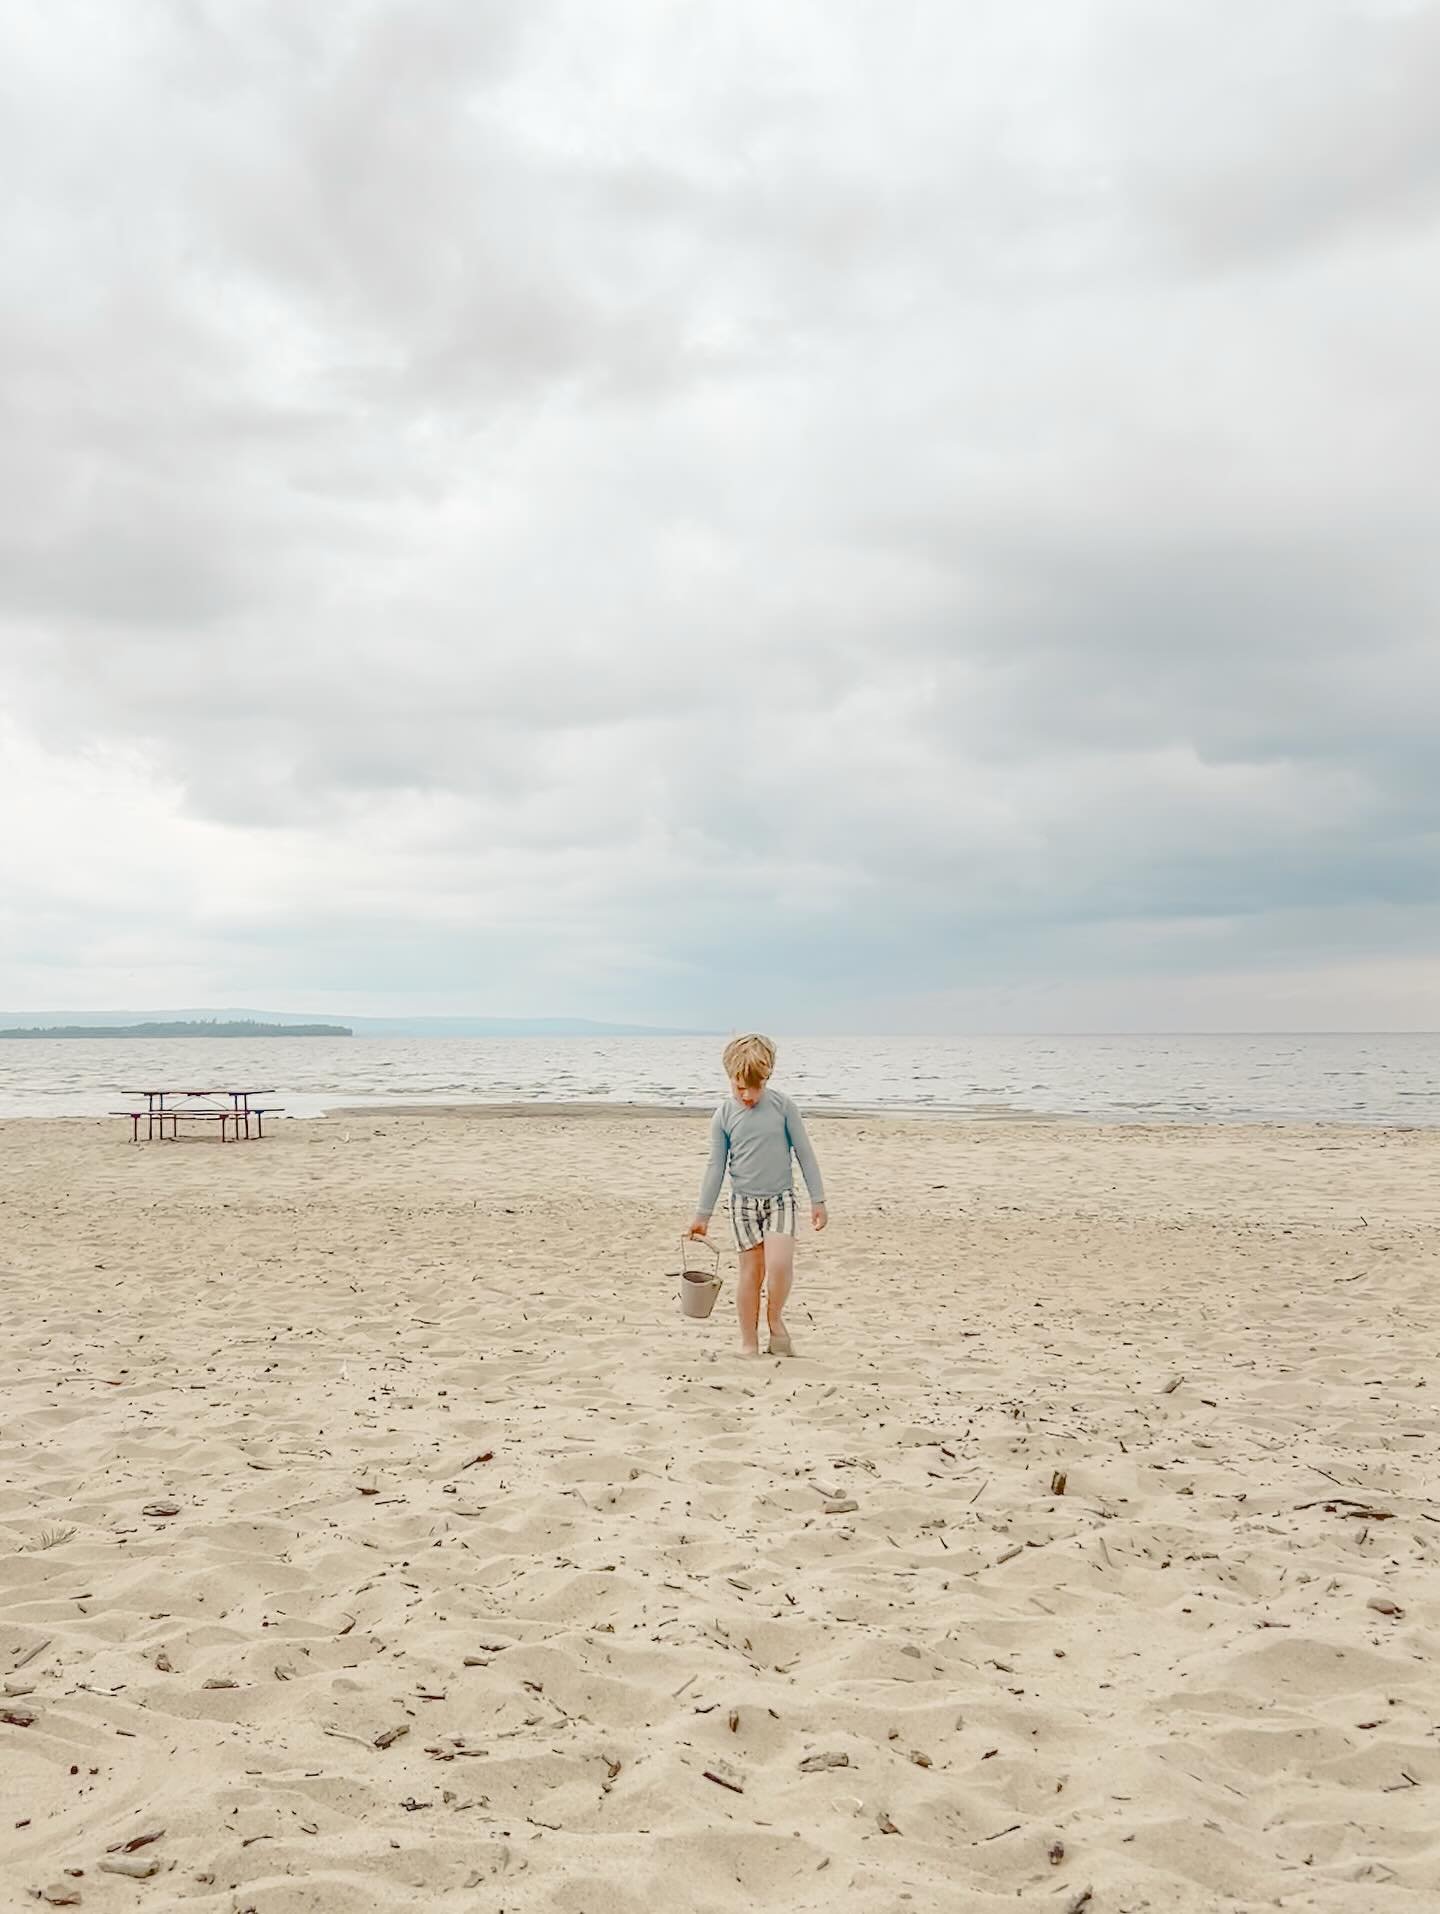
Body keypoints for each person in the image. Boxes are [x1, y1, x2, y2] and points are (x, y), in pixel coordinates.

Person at [686, 1034, 827, 1357]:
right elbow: (715, 1166)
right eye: (739, 1087)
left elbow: (805, 1153)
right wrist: (702, 1215)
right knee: (751, 1273)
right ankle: (748, 1341)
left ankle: (774, 1319)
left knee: (778, 1265)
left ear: (768, 1078)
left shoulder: (783, 1107)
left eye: (755, 1087)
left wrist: (817, 1199)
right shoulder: (723, 1116)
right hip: (742, 1205)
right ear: (729, 1079)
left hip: (781, 1200)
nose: (747, 1095)